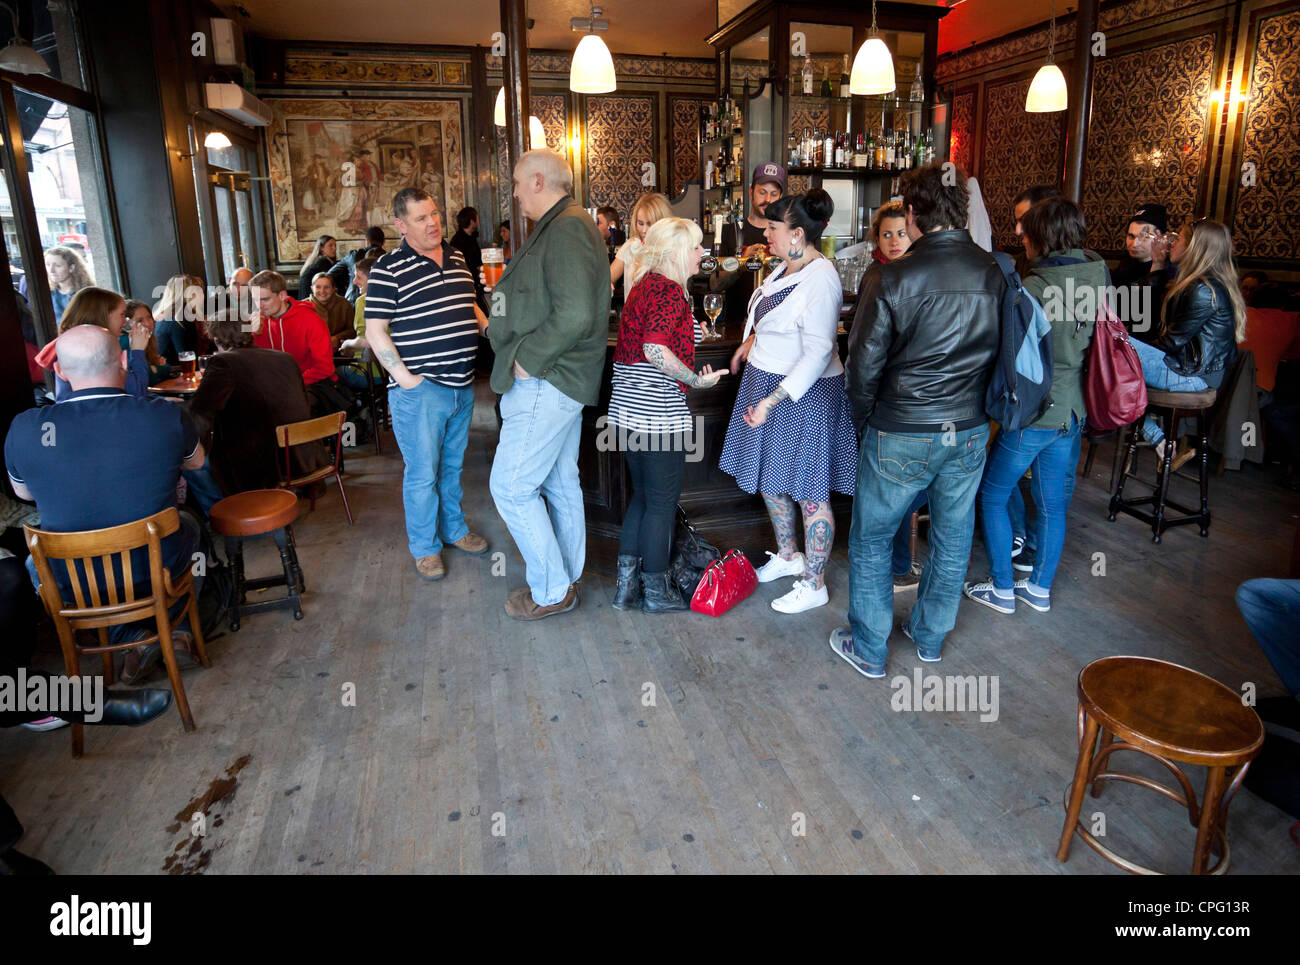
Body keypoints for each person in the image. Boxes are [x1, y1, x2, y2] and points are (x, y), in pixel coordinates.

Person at [834, 162, 1003, 677]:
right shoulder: (993, 271)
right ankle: (929, 638)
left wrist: (866, 421)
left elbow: (862, 366)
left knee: (871, 539)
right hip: (970, 428)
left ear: (912, 213)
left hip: (902, 428)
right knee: (953, 539)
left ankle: (869, 647)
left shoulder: (894, 275)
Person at [5, 325, 208, 681]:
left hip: (71, 581)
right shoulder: (165, 414)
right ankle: (174, 634)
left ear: (61, 371)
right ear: (126, 361)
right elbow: (197, 464)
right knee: (189, 526)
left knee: (36, 563)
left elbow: (25, 495)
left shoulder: (27, 428)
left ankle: (136, 640)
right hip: (153, 565)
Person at [483, 149, 609, 620]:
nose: (514, 193)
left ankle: (553, 589)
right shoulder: (564, 223)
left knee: (511, 488)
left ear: (538, 181)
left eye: (517, 183)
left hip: (548, 377)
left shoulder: (568, 226)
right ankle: (569, 574)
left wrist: (528, 363)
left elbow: (574, 313)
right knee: (559, 482)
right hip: (560, 379)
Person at [964, 196, 1103, 615]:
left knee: (991, 495)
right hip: (1073, 411)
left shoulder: (1038, 288)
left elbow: (1007, 350)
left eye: (1027, 227)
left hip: (1035, 412)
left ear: (1044, 235)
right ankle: (1039, 588)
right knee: (1051, 504)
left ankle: (1003, 588)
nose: (1020, 233)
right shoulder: (1098, 273)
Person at [718, 189, 856, 614]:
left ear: (797, 233)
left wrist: (772, 401)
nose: (767, 236)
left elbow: (816, 351)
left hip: (804, 394)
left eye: (773, 229)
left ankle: (814, 583)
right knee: (773, 482)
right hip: (766, 382)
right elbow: (775, 317)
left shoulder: (822, 278)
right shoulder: (784, 268)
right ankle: (789, 556)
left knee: (810, 493)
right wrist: (751, 342)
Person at [365, 187, 491, 581]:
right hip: (422, 392)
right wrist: (407, 381)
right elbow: (375, 330)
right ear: (401, 226)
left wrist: (488, 327)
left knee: (452, 467)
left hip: (462, 385)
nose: (432, 222)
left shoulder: (455, 255)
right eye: (421, 218)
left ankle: (454, 530)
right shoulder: (388, 268)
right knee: (422, 474)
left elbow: (468, 300)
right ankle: (425, 547)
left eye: (434, 213)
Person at [609, 218, 727, 613]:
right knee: (661, 503)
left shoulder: (646, 286)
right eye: (696, 247)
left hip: (627, 413)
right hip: (657, 415)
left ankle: (627, 591)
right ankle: (656, 594)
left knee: (643, 499)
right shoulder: (670, 292)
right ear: (678, 252)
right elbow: (655, 350)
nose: (701, 254)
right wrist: (695, 379)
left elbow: (671, 335)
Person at [1131, 218, 1246, 466]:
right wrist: (1159, 264)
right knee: (1110, 358)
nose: (1171, 243)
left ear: (1195, 248)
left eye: (1178, 239)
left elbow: (1169, 342)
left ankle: (1160, 441)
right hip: (1188, 368)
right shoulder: (1197, 283)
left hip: (1193, 376)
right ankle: (1162, 443)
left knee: (1107, 349)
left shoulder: (1203, 289)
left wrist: (1128, 350)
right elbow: (1154, 320)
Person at [864, 202, 926, 589]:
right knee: (898, 489)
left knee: (905, 488)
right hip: (890, 396)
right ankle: (898, 566)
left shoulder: (914, 272)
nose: (893, 241)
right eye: (886, 234)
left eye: (901, 233)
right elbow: (866, 349)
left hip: (911, 397)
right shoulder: (878, 276)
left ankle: (898, 564)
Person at [188, 316, 321, 496]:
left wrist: (193, 446)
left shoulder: (223, 362)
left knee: (194, 464)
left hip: (261, 460)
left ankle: (228, 516)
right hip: (301, 453)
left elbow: (200, 411)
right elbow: (303, 403)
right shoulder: (285, 358)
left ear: (216, 339)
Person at [33, 287, 151, 401]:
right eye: (122, 314)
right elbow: (138, 392)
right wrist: (138, 351)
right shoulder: (97, 349)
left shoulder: (71, 345)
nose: (125, 320)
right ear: (104, 315)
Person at [249, 270, 337, 387]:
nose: (259, 306)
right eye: (255, 300)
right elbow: (251, 364)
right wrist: (252, 335)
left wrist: (288, 384)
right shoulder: (256, 321)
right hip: (273, 386)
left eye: (265, 299)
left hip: (310, 384)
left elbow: (325, 368)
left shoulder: (311, 320)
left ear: (282, 295)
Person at [1110, 203, 1174, 340]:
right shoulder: (1122, 269)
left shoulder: (1169, 273)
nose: (1135, 244)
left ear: (1160, 238)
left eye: (1144, 237)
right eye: (1131, 236)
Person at [610, 192, 673, 289]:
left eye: (649, 224)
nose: (644, 230)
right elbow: (608, 278)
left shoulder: (672, 249)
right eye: (640, 223)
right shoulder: (630, 246)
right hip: (634, 304)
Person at [153, 274, 208, 363]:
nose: (202, 295)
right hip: (177, 372)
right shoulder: (182, 319)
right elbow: (188, 358)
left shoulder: (163, 317)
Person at [1012, 184, 1060, 275]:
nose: (1017, 231)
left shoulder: (1076, 267)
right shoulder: (1021, 262)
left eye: (1025, 220)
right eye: (1018, 221)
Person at [122, 299, 172, 384]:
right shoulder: (126, 341)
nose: (148, 323)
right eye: (140, 320)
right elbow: (147, 378)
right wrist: (160, 368)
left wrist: (155, 368)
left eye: (149, 317)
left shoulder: (148, 340)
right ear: (127, 324)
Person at [44, 246, 93, 325]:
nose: (51, 270)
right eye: (48, 265)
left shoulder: (88, 294)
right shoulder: (47, 294)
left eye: (58, 265)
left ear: (71, 268)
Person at [450, 206, 487, 311]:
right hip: (466, 286)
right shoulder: (457, 241)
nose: (478, 220)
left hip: (477, 284)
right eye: (477, 217)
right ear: (472, 221)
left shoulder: (472, 237)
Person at [309, 271, 356, 350]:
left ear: (333, 288)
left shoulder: (344, 305)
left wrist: (337, 338)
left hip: (339, 351)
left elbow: (353, 330)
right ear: (312, 288)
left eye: (326, 287)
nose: (322, 291)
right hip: (310, 352)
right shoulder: (303, 306)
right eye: (318, 287)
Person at [297, 234, 338, 300]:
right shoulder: (323, 261)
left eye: (335, 245)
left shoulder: (315, 260)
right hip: (311, 300)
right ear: (321, 248)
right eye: (330, 245)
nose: (334, 248)